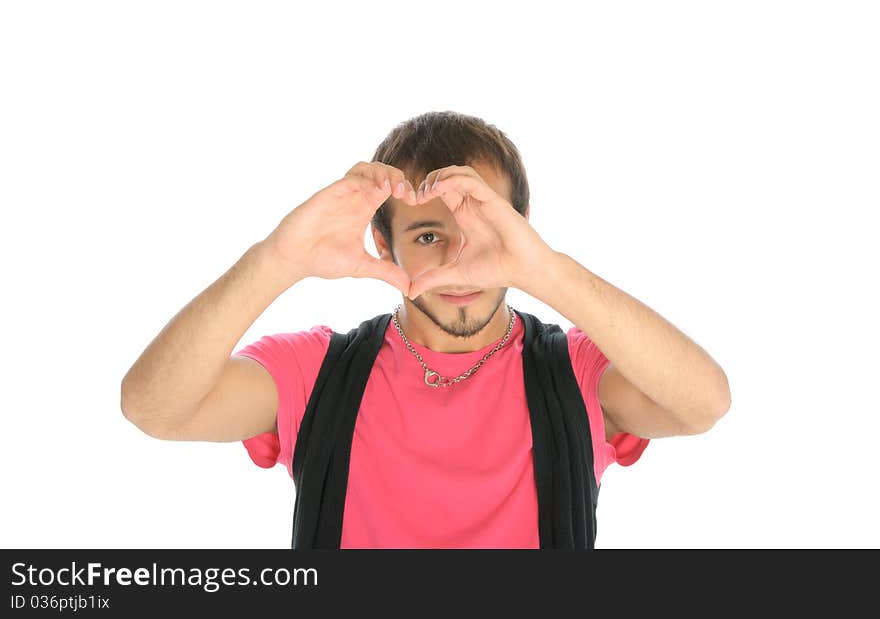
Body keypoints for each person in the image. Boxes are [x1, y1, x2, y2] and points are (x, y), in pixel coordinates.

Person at [121, 111, 731, 548]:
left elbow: (703, 403)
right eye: (429, 236)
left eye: (486, 231)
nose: (460, 262)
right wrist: (275, 260)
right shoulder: (317, 371)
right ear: (384, 242)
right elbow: (156, 408)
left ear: (521, 229)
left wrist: (548, 271)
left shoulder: (575, 370)